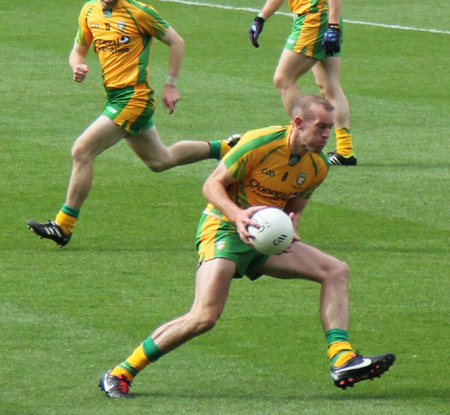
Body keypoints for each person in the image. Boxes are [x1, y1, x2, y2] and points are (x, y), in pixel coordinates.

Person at [98, 95, 394, 399]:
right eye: (320, 127)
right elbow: (212, 185)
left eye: (330, 129)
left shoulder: (317, 166)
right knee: (203, 317)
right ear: (298, 123)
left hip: (265, 238)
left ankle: (342, 358)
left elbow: (295, 206)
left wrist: (290, 230)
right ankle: (120, 372)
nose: (326, 135)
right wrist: (238, 215)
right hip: (224, 227)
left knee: (335, 270)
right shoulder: (260, 144)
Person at [27, 0, 239, 247]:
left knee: (81, 151)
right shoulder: (88, 12)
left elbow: (176, 41)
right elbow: (77, 50)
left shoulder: (139, 12)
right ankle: (227, 148)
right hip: (114, 96)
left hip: (134, 97)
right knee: (159, 160)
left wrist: (170, 85)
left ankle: (64, 226)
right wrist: (76, 65)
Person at [249, 0, 356, 166]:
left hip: (316, 21)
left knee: (282, 79)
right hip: (311, 20)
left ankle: (304, 143)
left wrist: (331, 26)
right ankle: (345, 152)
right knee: (329, 86)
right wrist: (261, 18)